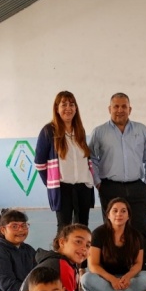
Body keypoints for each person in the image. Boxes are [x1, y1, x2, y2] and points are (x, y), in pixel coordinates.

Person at [89, 93, 146, 265]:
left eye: (124, 106)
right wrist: (98, 182)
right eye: (116, 106)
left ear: (130, 109)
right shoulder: (99, 132)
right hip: (109, 187)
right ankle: (113, 267)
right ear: (109, 109)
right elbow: (92, 159)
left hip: (137, 187)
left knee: (140, 229)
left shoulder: (141, 130)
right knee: (112, 230)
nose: (120, 110)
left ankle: (141, 268)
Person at [35, 91, 94, 234]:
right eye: (64, 104)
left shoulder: (80, 130)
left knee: (82, 227)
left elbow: (86, 159)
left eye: (72, 104)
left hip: (83, 188)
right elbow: (40, 163)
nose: (68, 108)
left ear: (76, 108)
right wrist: (51, 184)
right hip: (62, 189)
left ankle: (82, 257)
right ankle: (62, 257)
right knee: (64, 229)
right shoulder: (48, 131)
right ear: (56, 108)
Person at [82, 198, 146, 291]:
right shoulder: (98, 234)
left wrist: (128, 276)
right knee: (86, 279)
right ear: (108, 215)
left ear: (128, 216)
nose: (119, 214)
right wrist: (112, 279)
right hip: (105, 279)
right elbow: (93, 265)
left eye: (123, 211)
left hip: (127, 281)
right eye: (115, 211)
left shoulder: (136, 236)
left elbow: (138, 264)